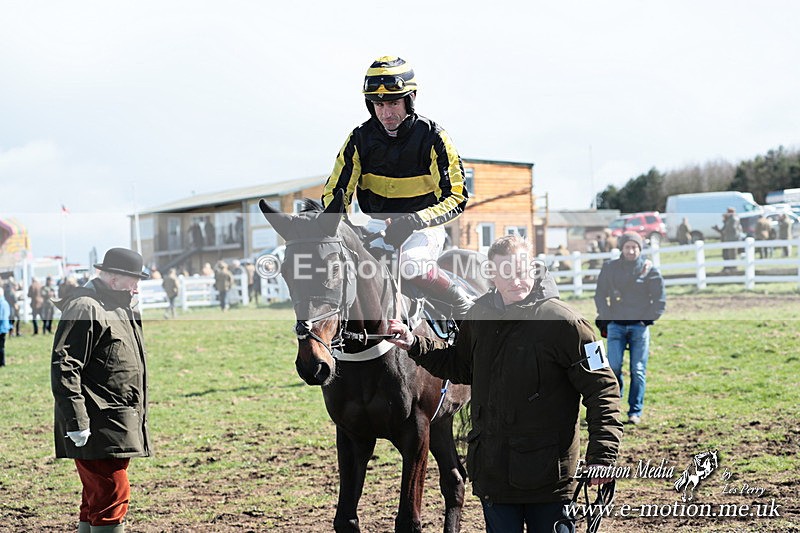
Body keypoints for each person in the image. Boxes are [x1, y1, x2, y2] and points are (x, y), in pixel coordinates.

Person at [386, 235, 623, 532]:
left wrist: (602, 456)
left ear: (533, 269)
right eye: (506, 273)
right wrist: (414, 343)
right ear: (492, 275)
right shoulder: (479, 315)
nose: (516, 281)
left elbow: (603, 390)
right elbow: (460, 366)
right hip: (494, 475)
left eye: (522, 271)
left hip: (548, 479)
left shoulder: (566, 324)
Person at [321, 55, 472, 318]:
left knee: (411, 265)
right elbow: (336, 192)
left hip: (424, 226)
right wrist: (342, 226)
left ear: (410, 99)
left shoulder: (434, 137)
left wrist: (413, 221)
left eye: (393, 102)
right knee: (349, 267)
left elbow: (457, 196)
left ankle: (463, 304)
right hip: (377, 224)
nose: (386, 113)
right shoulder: (359, 139)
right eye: (378, 105)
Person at [51, 248, 152, 533]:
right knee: (111, 493)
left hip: (117, 419)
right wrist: (76, 420)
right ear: (113, 278)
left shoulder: (120, 306)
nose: (136, 286)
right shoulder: (86, 307)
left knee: (97, 496)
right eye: (133, 279)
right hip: (97, 421)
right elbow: (65, 366)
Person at [594, 232, 666, 425]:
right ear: (622, 248)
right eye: (627, 247)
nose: (631, 250)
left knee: (638, 370)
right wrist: (607, 317)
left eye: (635, 247)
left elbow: (659, 299)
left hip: (639, 328)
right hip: (616, 326)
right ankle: (614, 407)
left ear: (640, 249)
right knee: (613, 367)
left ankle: (635, 411)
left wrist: (645, 321)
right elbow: (600, 295)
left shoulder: (649, 270)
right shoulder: (610, 268)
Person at [712, 207, 741, 273]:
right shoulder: (731, 218)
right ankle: (731, 267)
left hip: (732, 239)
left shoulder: (733, 218)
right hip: (730, 238)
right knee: (730, 254)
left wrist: (725, 230)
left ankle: (734, 268)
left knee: (733, 254)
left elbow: (732, 228)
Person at [0, 294, 10, 367]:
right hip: (5, 327)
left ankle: (1, 363)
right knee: (2, 346)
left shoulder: (1, 303)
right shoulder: (5, 302)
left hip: (1, 327)